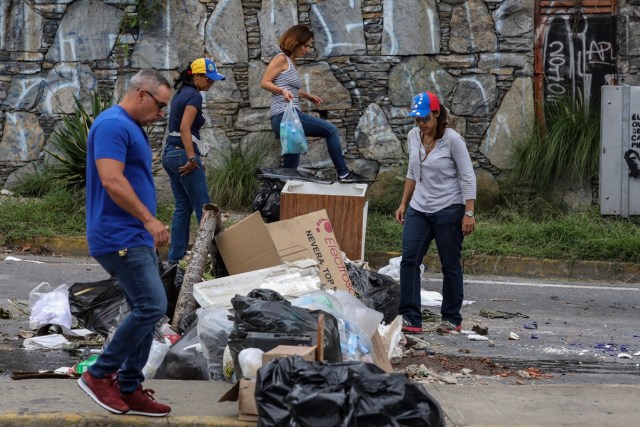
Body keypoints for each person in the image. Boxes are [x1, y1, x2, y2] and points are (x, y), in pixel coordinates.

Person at [79, 69, 172, 416]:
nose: (161, 114)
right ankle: (100, 375)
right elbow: (111, 180)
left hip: (133, 235)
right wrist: (149, 219)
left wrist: (146, 225)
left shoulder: (131, 127)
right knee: (152, 306)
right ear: (142, 94)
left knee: (145, 309)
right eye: (160, 105)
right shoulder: (113, 125)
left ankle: (129, 386)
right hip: (118, 235)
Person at [395, 91, 476, 335]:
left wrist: (469, 212)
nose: (421, 124)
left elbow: (467, 175)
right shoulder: (413, 136)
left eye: (425, 119)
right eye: (417, 120)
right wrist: (403, 203)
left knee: (450, 264)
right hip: (419, 208)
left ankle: (451, 318)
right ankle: (410, 317)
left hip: (449, 209)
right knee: (409, 260)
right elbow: (412, 171)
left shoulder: (452, 140)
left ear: (437, 114)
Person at [260, 24, 367, 182]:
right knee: (330, 130)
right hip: (284, 116)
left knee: (290, 171)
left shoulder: (292, 63)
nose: (308, 50)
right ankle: (343, 174)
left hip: (289, 118)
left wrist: (305, 95)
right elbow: (265, 82)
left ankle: (277, 199)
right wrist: (282, 92)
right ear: (295, 43)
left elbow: (287, 86)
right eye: (306, 46)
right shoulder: (281, 59)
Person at [162, 57, 225, 267]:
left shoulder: (181, 94)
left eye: (213, 79)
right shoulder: (194, 97)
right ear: (196, 76)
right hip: (182, 153)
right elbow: (184, 129)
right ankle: (210, 258)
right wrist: (192, 157)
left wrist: (194, 154)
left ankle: (174, 258)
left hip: (170, 154)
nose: (211, 83)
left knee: (183, 206)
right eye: (208, 78)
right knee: (204, 207)